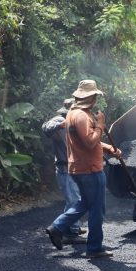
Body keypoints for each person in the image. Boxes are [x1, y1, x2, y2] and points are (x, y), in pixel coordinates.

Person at [45, 80, 122, 258]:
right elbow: (89, 142)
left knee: (84, 203)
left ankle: (57, 227)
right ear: (92, 97)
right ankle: (94, 248)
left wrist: (109, 148)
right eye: (95, 96)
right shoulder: (81, 116)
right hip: (90, 170)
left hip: (79, 168)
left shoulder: (73, 114)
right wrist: (101, 125)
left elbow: (86, 140)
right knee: (97, 209)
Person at [42, 98, 85, 244]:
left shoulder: (75, 124)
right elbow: (46, 127)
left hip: (74, 169)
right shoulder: (59, 120)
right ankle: (70, 233)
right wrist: (61, 124)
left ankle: (72, 227)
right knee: (75, 200)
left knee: (73, 199)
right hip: (65, 169)